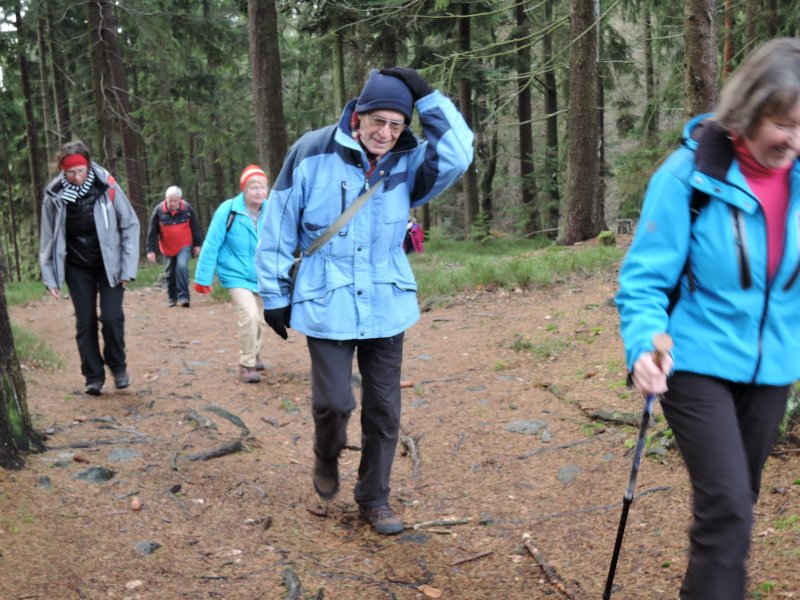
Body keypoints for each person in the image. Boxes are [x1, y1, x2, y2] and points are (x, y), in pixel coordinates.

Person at [615, 38, 800, 600]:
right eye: (783, 124)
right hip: (695, 361)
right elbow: (643, 281)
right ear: (748, 112)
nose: (793, 141)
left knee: (732, 507)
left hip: (772, 370)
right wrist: (644, 347)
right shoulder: (686, 178)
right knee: (728, 510)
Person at [256, 67, 473, 535]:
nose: (386, 133)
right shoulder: (311, 151)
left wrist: (427, 96)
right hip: (326, 301)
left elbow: (458, 154)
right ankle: (326, 453)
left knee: (385, 411)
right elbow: (277, 222)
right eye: (379, 121)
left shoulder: (408, 163)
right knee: (334, 403)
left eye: (397, 124)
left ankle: (374, 498)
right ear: (357, 116)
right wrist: (273, 294)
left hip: (385, 302)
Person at [39, 140, 140, 396]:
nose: (76, 176)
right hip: (77, 268)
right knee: (85, 322)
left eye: (80, 170)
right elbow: (48, 238)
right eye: (70, 172)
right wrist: (50, 277)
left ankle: (118, 367)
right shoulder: (54, 195)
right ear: (62, 170)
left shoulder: (106, 186)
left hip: (110, 265)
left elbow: (129, 224)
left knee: (112, 317)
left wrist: (128, 268)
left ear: (88, 166)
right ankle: (93, 376)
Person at [194, 165, 269, 384]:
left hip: (262, 276)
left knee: (262, 318)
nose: (257, 192)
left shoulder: (272, 210)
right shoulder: (229, 210)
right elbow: (211, 244)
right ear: (244, 189)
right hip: (235, 275)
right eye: (253, 187)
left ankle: (254, 352)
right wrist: (203, 278)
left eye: (262, 187)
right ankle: (246, 365)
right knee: (249, 314)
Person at [145, 185, 204, 308]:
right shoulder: (159, 210)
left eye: (174, 200)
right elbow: (152, 231)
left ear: (179, 199)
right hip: (167, 247)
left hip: (184, 244)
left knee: (181, 267)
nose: (172, 203)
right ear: (166, 199)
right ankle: (172, 297)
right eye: (169, 200)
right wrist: (150, 250)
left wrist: (197, 244)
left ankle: (184, 296)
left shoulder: (187, 208)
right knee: (170, 272)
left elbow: (195, 226)